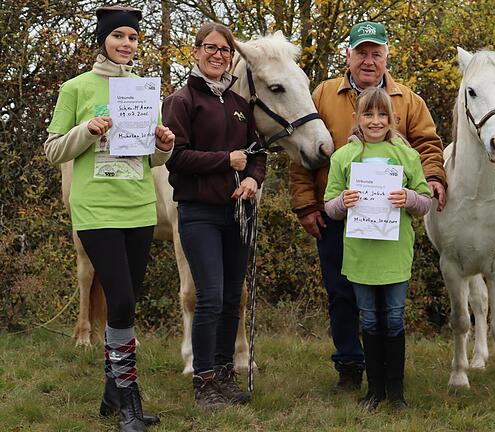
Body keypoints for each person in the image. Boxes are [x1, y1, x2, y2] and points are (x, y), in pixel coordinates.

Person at [289, 21, 446, 390]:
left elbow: (428, 145)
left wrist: (433, 179)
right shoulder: (323, 94)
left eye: (376, 53)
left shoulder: (409, 100)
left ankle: (387, 376)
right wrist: (305, 204)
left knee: (387, 302)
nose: (369, 60)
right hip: (336, 213)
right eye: (362, 52)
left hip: (390, 219)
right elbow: (302, 154)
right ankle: (349, 365)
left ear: (387, 55)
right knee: (342, 294)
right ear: (349, 54)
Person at [44, 6, 174, 431]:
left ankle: (109, 395)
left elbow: (150, 157)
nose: (126, 44)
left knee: (125, 303)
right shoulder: (75, 88)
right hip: (95, 209)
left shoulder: (143, 89)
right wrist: (87, 130)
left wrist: (165, 144)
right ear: (102, 40)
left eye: (133, 38)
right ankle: (129, 406)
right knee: (122, 302)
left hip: (138, 207)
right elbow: (53, 150)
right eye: (118, 36)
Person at [162, 22, 266, 410]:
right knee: (209, 296)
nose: (217, 55)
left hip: (239, 212)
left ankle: (224, 375)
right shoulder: (181, 100)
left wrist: (253, 179)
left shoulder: (240, 106)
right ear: (196, 51)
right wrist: (226, 160)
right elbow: (177, 157)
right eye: (210, 48)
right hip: (199, 212)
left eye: (224, 50)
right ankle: (204, 381)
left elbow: (257, 154)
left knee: (229, 298)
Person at [324, 87, 432, 410]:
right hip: (361, 254)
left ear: (392, 119)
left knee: (395, 319)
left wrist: (408, 198)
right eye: (368, 114)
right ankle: (375, 391)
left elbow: (425, 201)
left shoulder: (406, 155)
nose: (375, 121)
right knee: (369, 320)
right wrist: (342, 202)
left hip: (394, 253)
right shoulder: (343, 157)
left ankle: (396, 392)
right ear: (357, 118)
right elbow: (328, 206)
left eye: (381, 115)